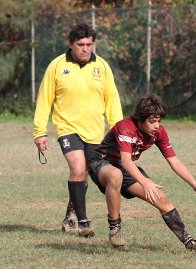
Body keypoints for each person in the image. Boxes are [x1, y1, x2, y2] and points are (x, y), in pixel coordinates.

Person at [33, 23, 123, 237]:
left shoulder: (102, 67)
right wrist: (40, 131)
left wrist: (118, 130)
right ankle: (83, 222)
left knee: (86, 174)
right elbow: (44, 100)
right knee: (78, 168)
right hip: (67, 128)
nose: (85, 49)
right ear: (70, 45)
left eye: (89, 44)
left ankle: (70, 216)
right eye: (80, 44)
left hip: (95, 132)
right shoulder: (57, 66)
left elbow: (112, 100)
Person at [88, 94, 196, 250]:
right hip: (101, 163)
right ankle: (115, 229)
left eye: (159, 121)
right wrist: (145, 182)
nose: (157, 125)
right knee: (115, 175)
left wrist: (194, 184)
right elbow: (126, 160)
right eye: (152, 121)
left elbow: (174, 161)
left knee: (161, 199)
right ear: (140, 120)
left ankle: (190, 243)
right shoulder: (125, 127)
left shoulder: (158, 132)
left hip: (125, 167)